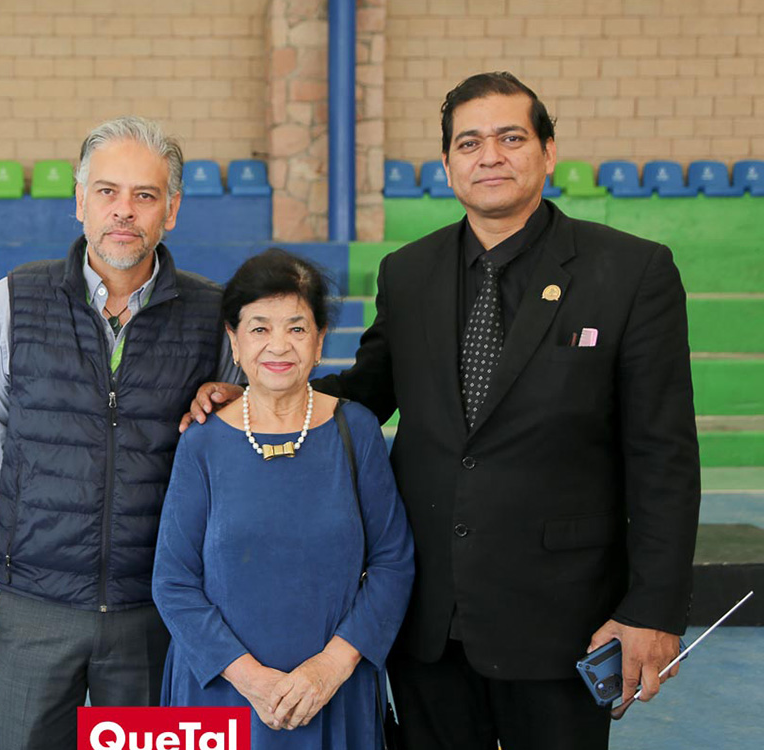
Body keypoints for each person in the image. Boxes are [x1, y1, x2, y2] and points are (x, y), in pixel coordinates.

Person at [185, 72, 701, 750]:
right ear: (448, 163)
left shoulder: (631, 273)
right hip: (429, 617)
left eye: (511, 138)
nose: (490, 156)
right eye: (469, 142)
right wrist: (251, 399)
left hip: (561, 616)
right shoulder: (409, 273)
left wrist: (653, 609)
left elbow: (664, 456)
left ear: (548, 151)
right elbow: (367, 390)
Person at [0, 115, 240, 750]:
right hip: (38, 602)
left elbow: (234, 442)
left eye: (145, 195)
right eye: (107, 191)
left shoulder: (214, 315)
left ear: (171, 210)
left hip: (157, 607)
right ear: (80, 200)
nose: (124, 211)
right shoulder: (11, 299)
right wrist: (31, 528)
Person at [153, 249, 414, 749]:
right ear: (234, 340)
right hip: (220, 692)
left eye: (297, 328)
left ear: (319, 341)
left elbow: (393, 563)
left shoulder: (355, 429)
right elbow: (173, 581)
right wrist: (252, 679)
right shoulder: (203, 439)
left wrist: (329, 668)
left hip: (334, 688)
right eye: (259, 328)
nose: (278, 345)